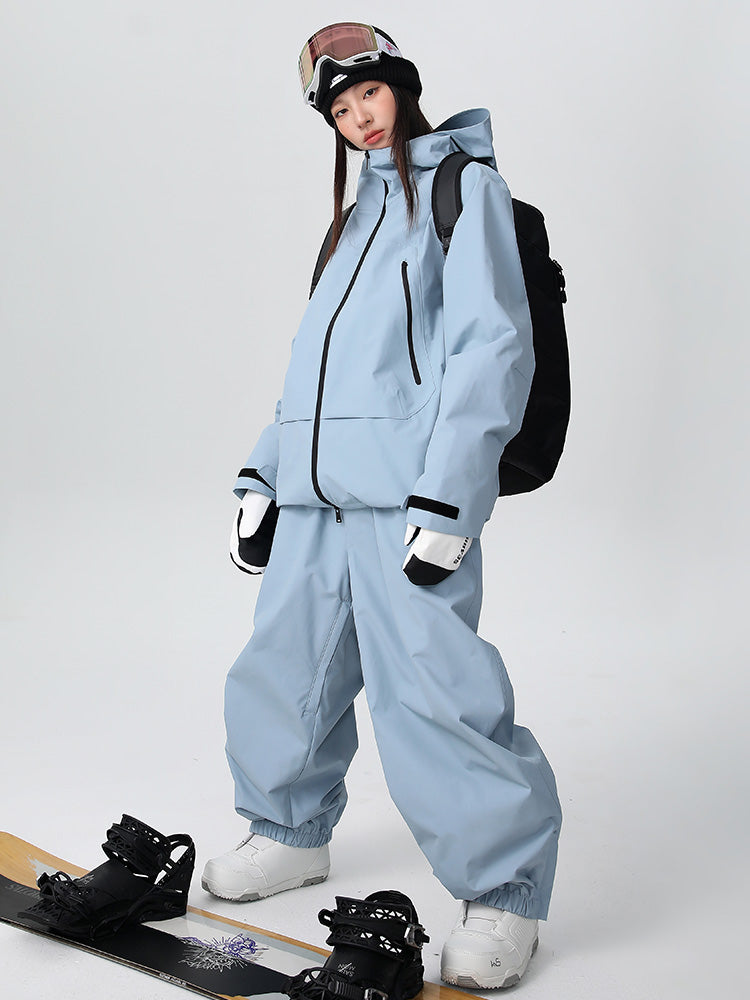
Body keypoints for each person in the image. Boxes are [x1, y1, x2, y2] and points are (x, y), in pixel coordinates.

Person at [202, 22, 562, 990]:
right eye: (339, 106)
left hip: (407, 494)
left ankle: (504, 892)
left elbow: (492, 346)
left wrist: (453, 495)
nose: (359, 116)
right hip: (318, 497)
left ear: (401, 85)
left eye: (369, 92)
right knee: (285, 668)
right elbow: (312, 369)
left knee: (435, 694)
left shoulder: (464, 189)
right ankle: (288, 830)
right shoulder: (352, 217)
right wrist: (263, 476)